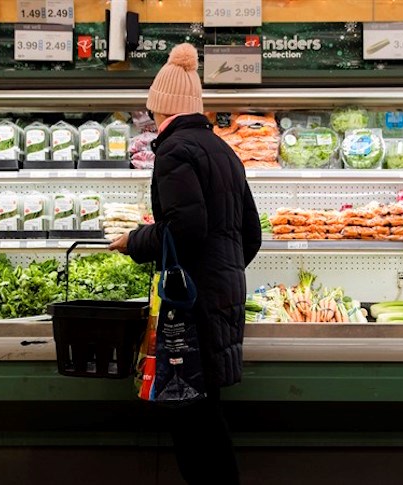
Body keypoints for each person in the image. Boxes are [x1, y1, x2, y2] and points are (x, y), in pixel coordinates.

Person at [109, 43, 262, 484]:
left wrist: (133, 241)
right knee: (205, 416)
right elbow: (250, 235)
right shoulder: (223, 151)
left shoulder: (175, 152)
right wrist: (224, 274)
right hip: (218, 297)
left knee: (190, 421)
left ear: (161, 107)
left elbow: (185, 230)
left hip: (192, 308)